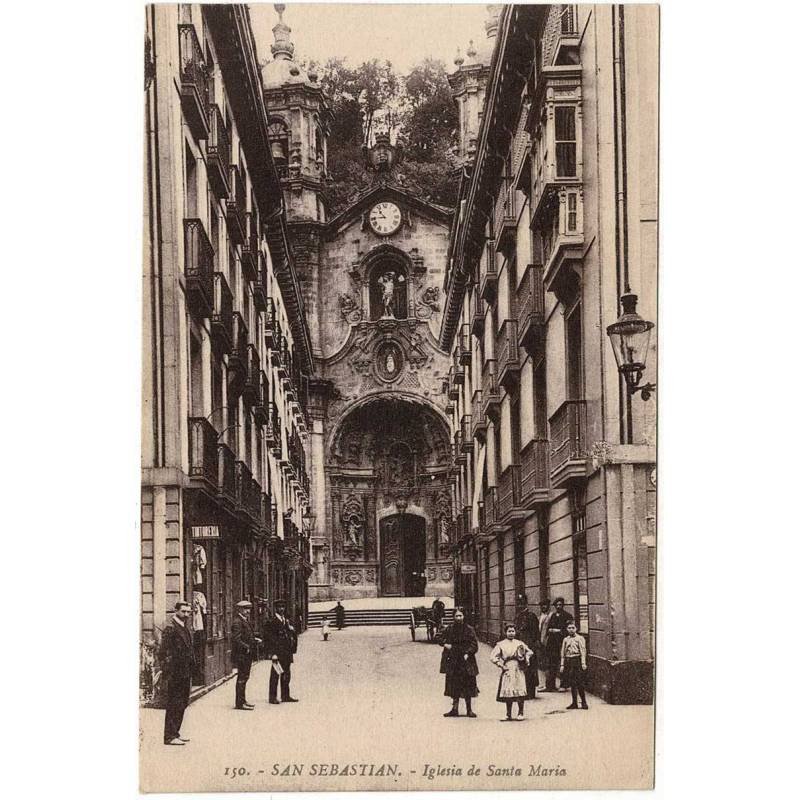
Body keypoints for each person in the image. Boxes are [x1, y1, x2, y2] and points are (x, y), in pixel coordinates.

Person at [159, 600, 195, 745]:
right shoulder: (171, 628)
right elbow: (163, 653)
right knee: (174, 703)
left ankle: (175, 733)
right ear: (176, 611)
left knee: (182, 703)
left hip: (185, 672)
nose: (186, 614)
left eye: (188, 612)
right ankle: (169, 736)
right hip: (176, 673)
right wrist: (168, 671)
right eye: (183, 611)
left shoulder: (184, 627)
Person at [438, 607, 479, 718]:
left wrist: (468, 653)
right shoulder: (449, 629)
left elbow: (474, 644)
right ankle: (454, 709)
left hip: (466, 660)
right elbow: (438, 637)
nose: (459, 618)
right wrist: (446, 645)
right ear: (453, 617)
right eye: (457, 616)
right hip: (453, 660)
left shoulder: (469, 629)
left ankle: (469, 710)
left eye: (461, 615)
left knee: (468, 684)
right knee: (454, 684)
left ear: (464, 616)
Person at [490, 623, 535, 720]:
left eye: (513, 631)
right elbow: (493, 656)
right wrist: (500, 664)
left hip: (518, 668)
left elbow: (530, 651)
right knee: (509, 691)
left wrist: (526, 657)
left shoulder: (519, 643)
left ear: (515, 632)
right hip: (508, 668)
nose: (511, 633)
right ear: (505, 632)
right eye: (509, 631)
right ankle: (508, 714)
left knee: (520, 689)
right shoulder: (501, 644)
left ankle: (520, 712)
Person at [264, 599, 298, 703]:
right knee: (275, 675)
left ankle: (285, 696)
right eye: (279, 607)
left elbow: (290, 635)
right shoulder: (272, 622)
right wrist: (272, 653)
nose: (282, 609)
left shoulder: (286, 620)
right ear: (276, 608)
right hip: (277, 653)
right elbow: (269, 638)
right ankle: (272, 697)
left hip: (287, 652)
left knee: (286, 674)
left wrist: (291, 630)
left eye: (283, 607)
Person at [231, 600, 260, 710]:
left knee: (244, 677)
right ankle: (239, 703)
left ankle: (243, 700)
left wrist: (254, 639)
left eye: (248, 609)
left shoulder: (244, 620)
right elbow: (236, 639)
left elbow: (245, 636)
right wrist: (247, 647)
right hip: (242, 655)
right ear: (240, 610)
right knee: (242, 678)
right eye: (245, 609)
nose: (248, 611)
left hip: (246, 654)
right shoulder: (237, 622)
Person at [514, 594, 540, 700]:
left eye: (522, 603)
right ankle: (522, 691)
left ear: (526, 603)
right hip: (519, 646)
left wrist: (532, 647)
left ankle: (531, 692)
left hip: (529, 646)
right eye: (518, 603)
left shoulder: (531, 616)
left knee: (530, 669)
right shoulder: (517, 616)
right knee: (521, 669)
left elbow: (536, 633)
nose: (520, 605)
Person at [544, 597, 573, 691]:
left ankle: (563, 685)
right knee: (551, 664)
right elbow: (548, 628)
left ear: (563, 605)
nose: (558, 606)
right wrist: (551, 630)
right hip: (552, 644)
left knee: (563, 663)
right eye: (557, 605)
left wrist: (558, 630)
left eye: (560, 605)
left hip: (562, 642)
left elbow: (569, 629)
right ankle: (550, 686)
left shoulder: (567, 616)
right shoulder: (552, 616)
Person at [560, 620, 589, 710]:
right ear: (566, 629)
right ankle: (574, 703)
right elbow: (563, 653)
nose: (571, 630)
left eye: (573, 628)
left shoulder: (580, 638)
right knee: (572, 683)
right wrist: (562, 665)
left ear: (576, 629)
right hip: (569, 661)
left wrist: (583, 663)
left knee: (579, 682)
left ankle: (584, 702)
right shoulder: (566, 640)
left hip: (577, 661)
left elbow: (583, 651)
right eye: (569, 628)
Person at [536, 599, 552, 690]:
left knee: (546, 665)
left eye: (545, 605)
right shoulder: (540, 617)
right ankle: (541, 684)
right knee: (540, 664)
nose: (543, 607)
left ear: (548, 606)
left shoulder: (550, 616)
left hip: (546, 643)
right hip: (540, 643)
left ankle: (547, 685)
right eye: (542, 605)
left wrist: (545, 641)